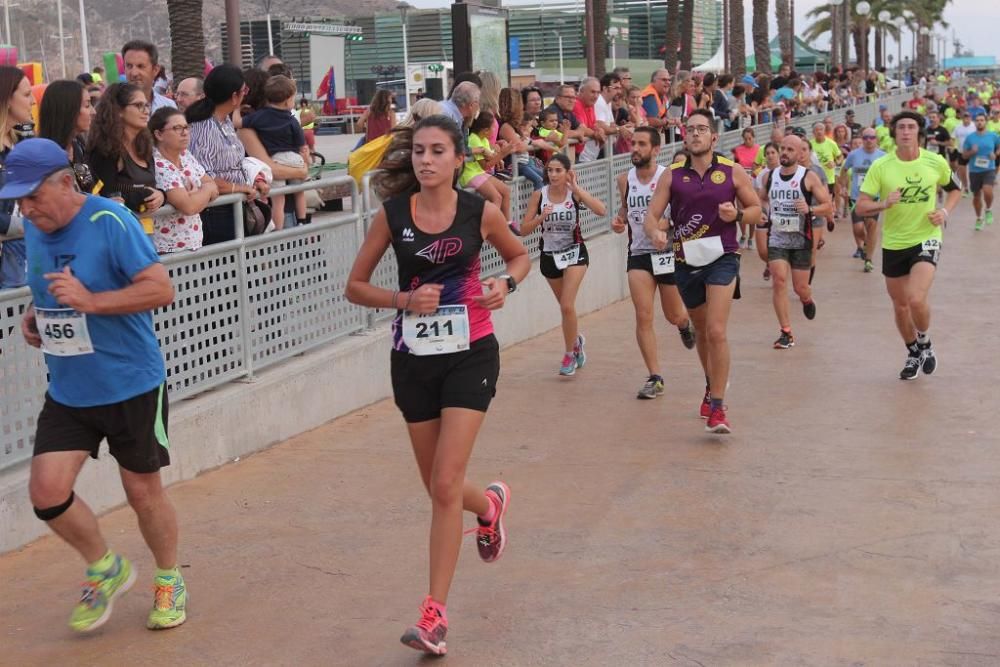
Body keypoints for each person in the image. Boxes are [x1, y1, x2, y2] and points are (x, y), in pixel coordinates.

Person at [344, 115, 530, 656]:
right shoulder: (393, 216)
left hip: (471, 353)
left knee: (445, 484)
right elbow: (354, 287)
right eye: (419, 151)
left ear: (457, 160)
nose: (426, 160)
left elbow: (519, 255)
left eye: (437, 151)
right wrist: (403, 300)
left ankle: (434, 614)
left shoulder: (480, 211)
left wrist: (505, 283)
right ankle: (490, 507)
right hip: (414, 360)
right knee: (439, 487)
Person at [7, 138, 185, 633]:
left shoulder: (112, 221)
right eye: (18, 199)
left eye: (33, 196)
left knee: (142, 492)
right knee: (46, 492)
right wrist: (35, 316)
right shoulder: (37, 230)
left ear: (65, 182)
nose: (26, 208)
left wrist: (91, 301)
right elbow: (51, 289)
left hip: (130, 383)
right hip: (70, 388)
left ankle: (169, 578)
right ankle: (105, 567)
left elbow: (160, 288)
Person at [643, 109, 762, 434]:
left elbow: (756, 211)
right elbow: (651, 216)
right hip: (685, 260)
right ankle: (711, 386)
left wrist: (736, 215)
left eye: (701, 129)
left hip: (723, 257)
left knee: (716, 330)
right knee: (699, 327)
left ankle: (720, 408)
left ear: (713, 136)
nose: (695, 134)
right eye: (690, 129)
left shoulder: (732, 171)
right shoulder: (673, 175)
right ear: (684, 136)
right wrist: (655, 232)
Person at [854, 111, 962, 381]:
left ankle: (924, 341)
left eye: (910, 127)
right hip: (894, 242)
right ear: (893, 133)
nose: (905, 132)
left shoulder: (934, 161)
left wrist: (945, 213)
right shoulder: (882, 166)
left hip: (926, 237)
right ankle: (914, 351)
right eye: (900, 127)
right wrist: (884, 204)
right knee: (901, 306)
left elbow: (956, 189)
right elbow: (861, 205)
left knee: (915, 298)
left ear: (919, 133)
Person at [611, 127, 695, 399]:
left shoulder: (669, 178)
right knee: (643, 315)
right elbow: (626, 208)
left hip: (667, 253)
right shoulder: (624, 179)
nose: (635, 148)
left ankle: (685, 325)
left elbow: (682, 214)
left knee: (674, 315)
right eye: (633, 143)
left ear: (656, 150)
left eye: (642, 144)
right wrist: (619, 219)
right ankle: (655, 376)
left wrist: (664, 225)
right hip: (639, 254)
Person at [520, 153, 606, 375]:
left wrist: (577, 190)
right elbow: (523, 229)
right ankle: (575, 341)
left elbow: (601, 210)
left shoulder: (573, 194)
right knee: (565, 308)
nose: (554, 174)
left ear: (568, 172)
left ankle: (569, 355)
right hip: (549, 256)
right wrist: (541, 217)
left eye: (558, 170)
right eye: (550, 170)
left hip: (574, 252)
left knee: (567, 304)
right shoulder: (539, 195)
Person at [758, 135, 832, 350]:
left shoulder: (808, 177)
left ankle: (807, 299)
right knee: (779, 281)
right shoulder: (770, 176)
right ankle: (786, 332)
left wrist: (810, 209)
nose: (785, 153)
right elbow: (761, 197)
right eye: (783, 148)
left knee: (800, 288)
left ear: (800, 153)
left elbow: (828, 206)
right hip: (778, 237)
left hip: (801, 239)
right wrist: (763, 211)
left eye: (790, 149)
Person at [187, 64, 272, 245]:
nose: (245, 95)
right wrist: (240, 188)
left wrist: (255, 179)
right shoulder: (204, 128)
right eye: (244, 90)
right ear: (234, 96)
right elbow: (203, 177)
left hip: (234, 207)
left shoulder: (225, 121)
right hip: (217, 213)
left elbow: (236, 163)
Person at [87, 83, 164, 234]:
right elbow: (105, 198)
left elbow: (151, 188)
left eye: (146, 105)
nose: (146, 111)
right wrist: (145, 195)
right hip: (117, 234)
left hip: (144, 232)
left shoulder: (144, 146)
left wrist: (162, 195)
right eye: (138, 105)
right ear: (119, 110)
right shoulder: (105, 150)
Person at [241, 75, 308, 230]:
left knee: (279, 201)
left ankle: (280, 230)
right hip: (269, 204)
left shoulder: (255, 119)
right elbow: (272, 169)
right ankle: (302, 220)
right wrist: (302, 169)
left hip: (274, 201)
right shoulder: (287, 119)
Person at [150, 108, 219, 253]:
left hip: (194, 243)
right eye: (177, 128)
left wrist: (199, 193)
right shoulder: (158, 164)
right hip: (168, 249)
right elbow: (189, 207)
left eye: (186, 127)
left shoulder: (185, 155)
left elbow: (213, 185)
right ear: (158, 134)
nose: (185, 132)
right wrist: (205, 190)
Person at [0, 66, 32, 289]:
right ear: (8, 98)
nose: (32, 101)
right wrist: (22, 225)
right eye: (27, 95)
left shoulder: (21, 142)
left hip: (24, 255)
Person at [38, 79, 96, 193]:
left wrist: (108, 203)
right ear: (69, 109)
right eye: (87, 105)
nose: (93, 112)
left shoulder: (78, 145)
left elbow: (90, 188)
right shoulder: (44, 158)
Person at [841, 129, 886, 272]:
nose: (869, 140)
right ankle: (866, 243)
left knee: (872, 225)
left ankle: (868, 259)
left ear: (876, 139)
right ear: (862, 138)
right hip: (857, 198)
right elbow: (844, 169)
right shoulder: (854, 155)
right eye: (865, 137)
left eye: (872, 137)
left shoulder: (883, 156)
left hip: (874, 198)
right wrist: (843, 186)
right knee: (858, 228)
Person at [961, 112, 1000, 230]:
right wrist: (971, 152)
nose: (979, 122)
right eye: (977, 120)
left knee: (988, 190)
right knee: (976, 197)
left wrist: (996, 154)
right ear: (975, 122)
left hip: (989, 169)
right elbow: (964, 155)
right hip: (974, 171)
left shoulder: (993, 136)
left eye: (982, 120)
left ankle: (988, 210)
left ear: (985, 121)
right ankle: (979, 218)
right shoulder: (970, 137)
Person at [122, 40, 175, 113]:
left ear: (155, 70)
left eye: (140, 66)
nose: (134, 73)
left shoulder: (169, 106)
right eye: (129, 66)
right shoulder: (114, 108)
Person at [732, 128, 759, 247]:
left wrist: (755, 173)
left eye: (750, 138)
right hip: (741, 181)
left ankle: (751, 238)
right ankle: (743, 235)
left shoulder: (759, 149)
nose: (748, 141)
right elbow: (735, 164)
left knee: (752, 207)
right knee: (740, 209)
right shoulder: (738, 150)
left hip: (754, 181)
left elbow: (761, 165)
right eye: (745, 138)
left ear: (754, 138)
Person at [573, 77, 606, 163]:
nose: (596, 96)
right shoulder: (576, 104)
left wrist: (599, 130)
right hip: (575, 156)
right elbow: (582, 129)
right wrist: (596, 134)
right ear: (582, 91)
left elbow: (593, 125)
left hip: (582, 154)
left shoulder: (590, 105)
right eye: (592, 92)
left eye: (598, 93)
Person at [640, 69, 672, 134]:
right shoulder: (650, 95)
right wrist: (666, 122)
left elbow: (666, 116)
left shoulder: (663, 96)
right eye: (664, 80)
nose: (668, 82)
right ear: (653, 82)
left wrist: (671, 120)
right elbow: (651, 121)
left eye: (669, 80)